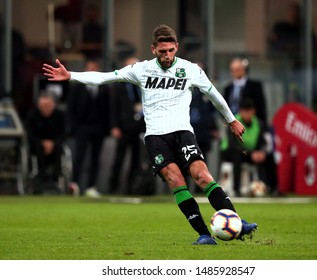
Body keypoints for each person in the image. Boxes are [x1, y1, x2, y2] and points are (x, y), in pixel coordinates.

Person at [42, 24, 257, 245]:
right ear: (153, 49)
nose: (167, 55)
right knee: (175, 180)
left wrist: (231, 120)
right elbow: (105, 77)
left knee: (202, 175)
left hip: (183, 133)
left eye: (171, 50)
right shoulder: (141, 69)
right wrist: (70, 76)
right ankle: (204, 234)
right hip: (156, 137)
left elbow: (214, 95)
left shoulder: (191, 70)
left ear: (176, 47)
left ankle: (238, 222)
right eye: (162, 51)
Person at [66, 58, 111, 197]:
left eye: (94, 68)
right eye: (89, 68)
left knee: (95, 158)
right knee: (79, 156)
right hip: (82, 127)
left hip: (98, 128)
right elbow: (71, 108)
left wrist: (107, 128)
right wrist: (73, 127)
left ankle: (91, 186)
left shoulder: (104, 88)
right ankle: (75, 184)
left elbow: (108, 110)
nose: (92, 71)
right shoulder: (77, 86)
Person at [220, 98, 277, 196]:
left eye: (249, 111)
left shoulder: (258, 123)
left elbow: (263, 142)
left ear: (253, 111)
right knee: (236, 157)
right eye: (244, 111)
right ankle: (236, 190)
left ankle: (273, 189)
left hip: (250, 153)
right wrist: (251, 154)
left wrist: (262, 152)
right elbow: (232, 144)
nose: (247, 114)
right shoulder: (233, 122)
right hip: (232, 152)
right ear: (240, 111)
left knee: (270, 158)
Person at [109, 57, 146, 194]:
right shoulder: (119, 85)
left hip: (139, 128)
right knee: (119, 159)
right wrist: (114, 126)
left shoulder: (143, 85)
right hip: (124, 128)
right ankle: (113, 187)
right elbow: (113, 108)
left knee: (136, 161)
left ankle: (131, 188)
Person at [25, 91, 65, 193]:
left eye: (48, 105)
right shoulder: (32, 115)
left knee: (59, 148)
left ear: (54, 105)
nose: (45, 108)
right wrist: (42, 143)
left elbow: (63, 133)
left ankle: (56, 177)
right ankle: (40, 177)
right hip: (37, 145)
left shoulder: (60, 116)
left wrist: (53, 143)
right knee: (37, 148)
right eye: (42, 106)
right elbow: (30, 134)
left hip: (55, 145)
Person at [223, 58, 267, 127]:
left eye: (237, 69)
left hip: (251, 124)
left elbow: (261, 107)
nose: (235, 72)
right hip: (233, 124)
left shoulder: (255, 86)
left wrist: (264, 126)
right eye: (233, 70)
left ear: (243, 70)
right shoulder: (228, 88)